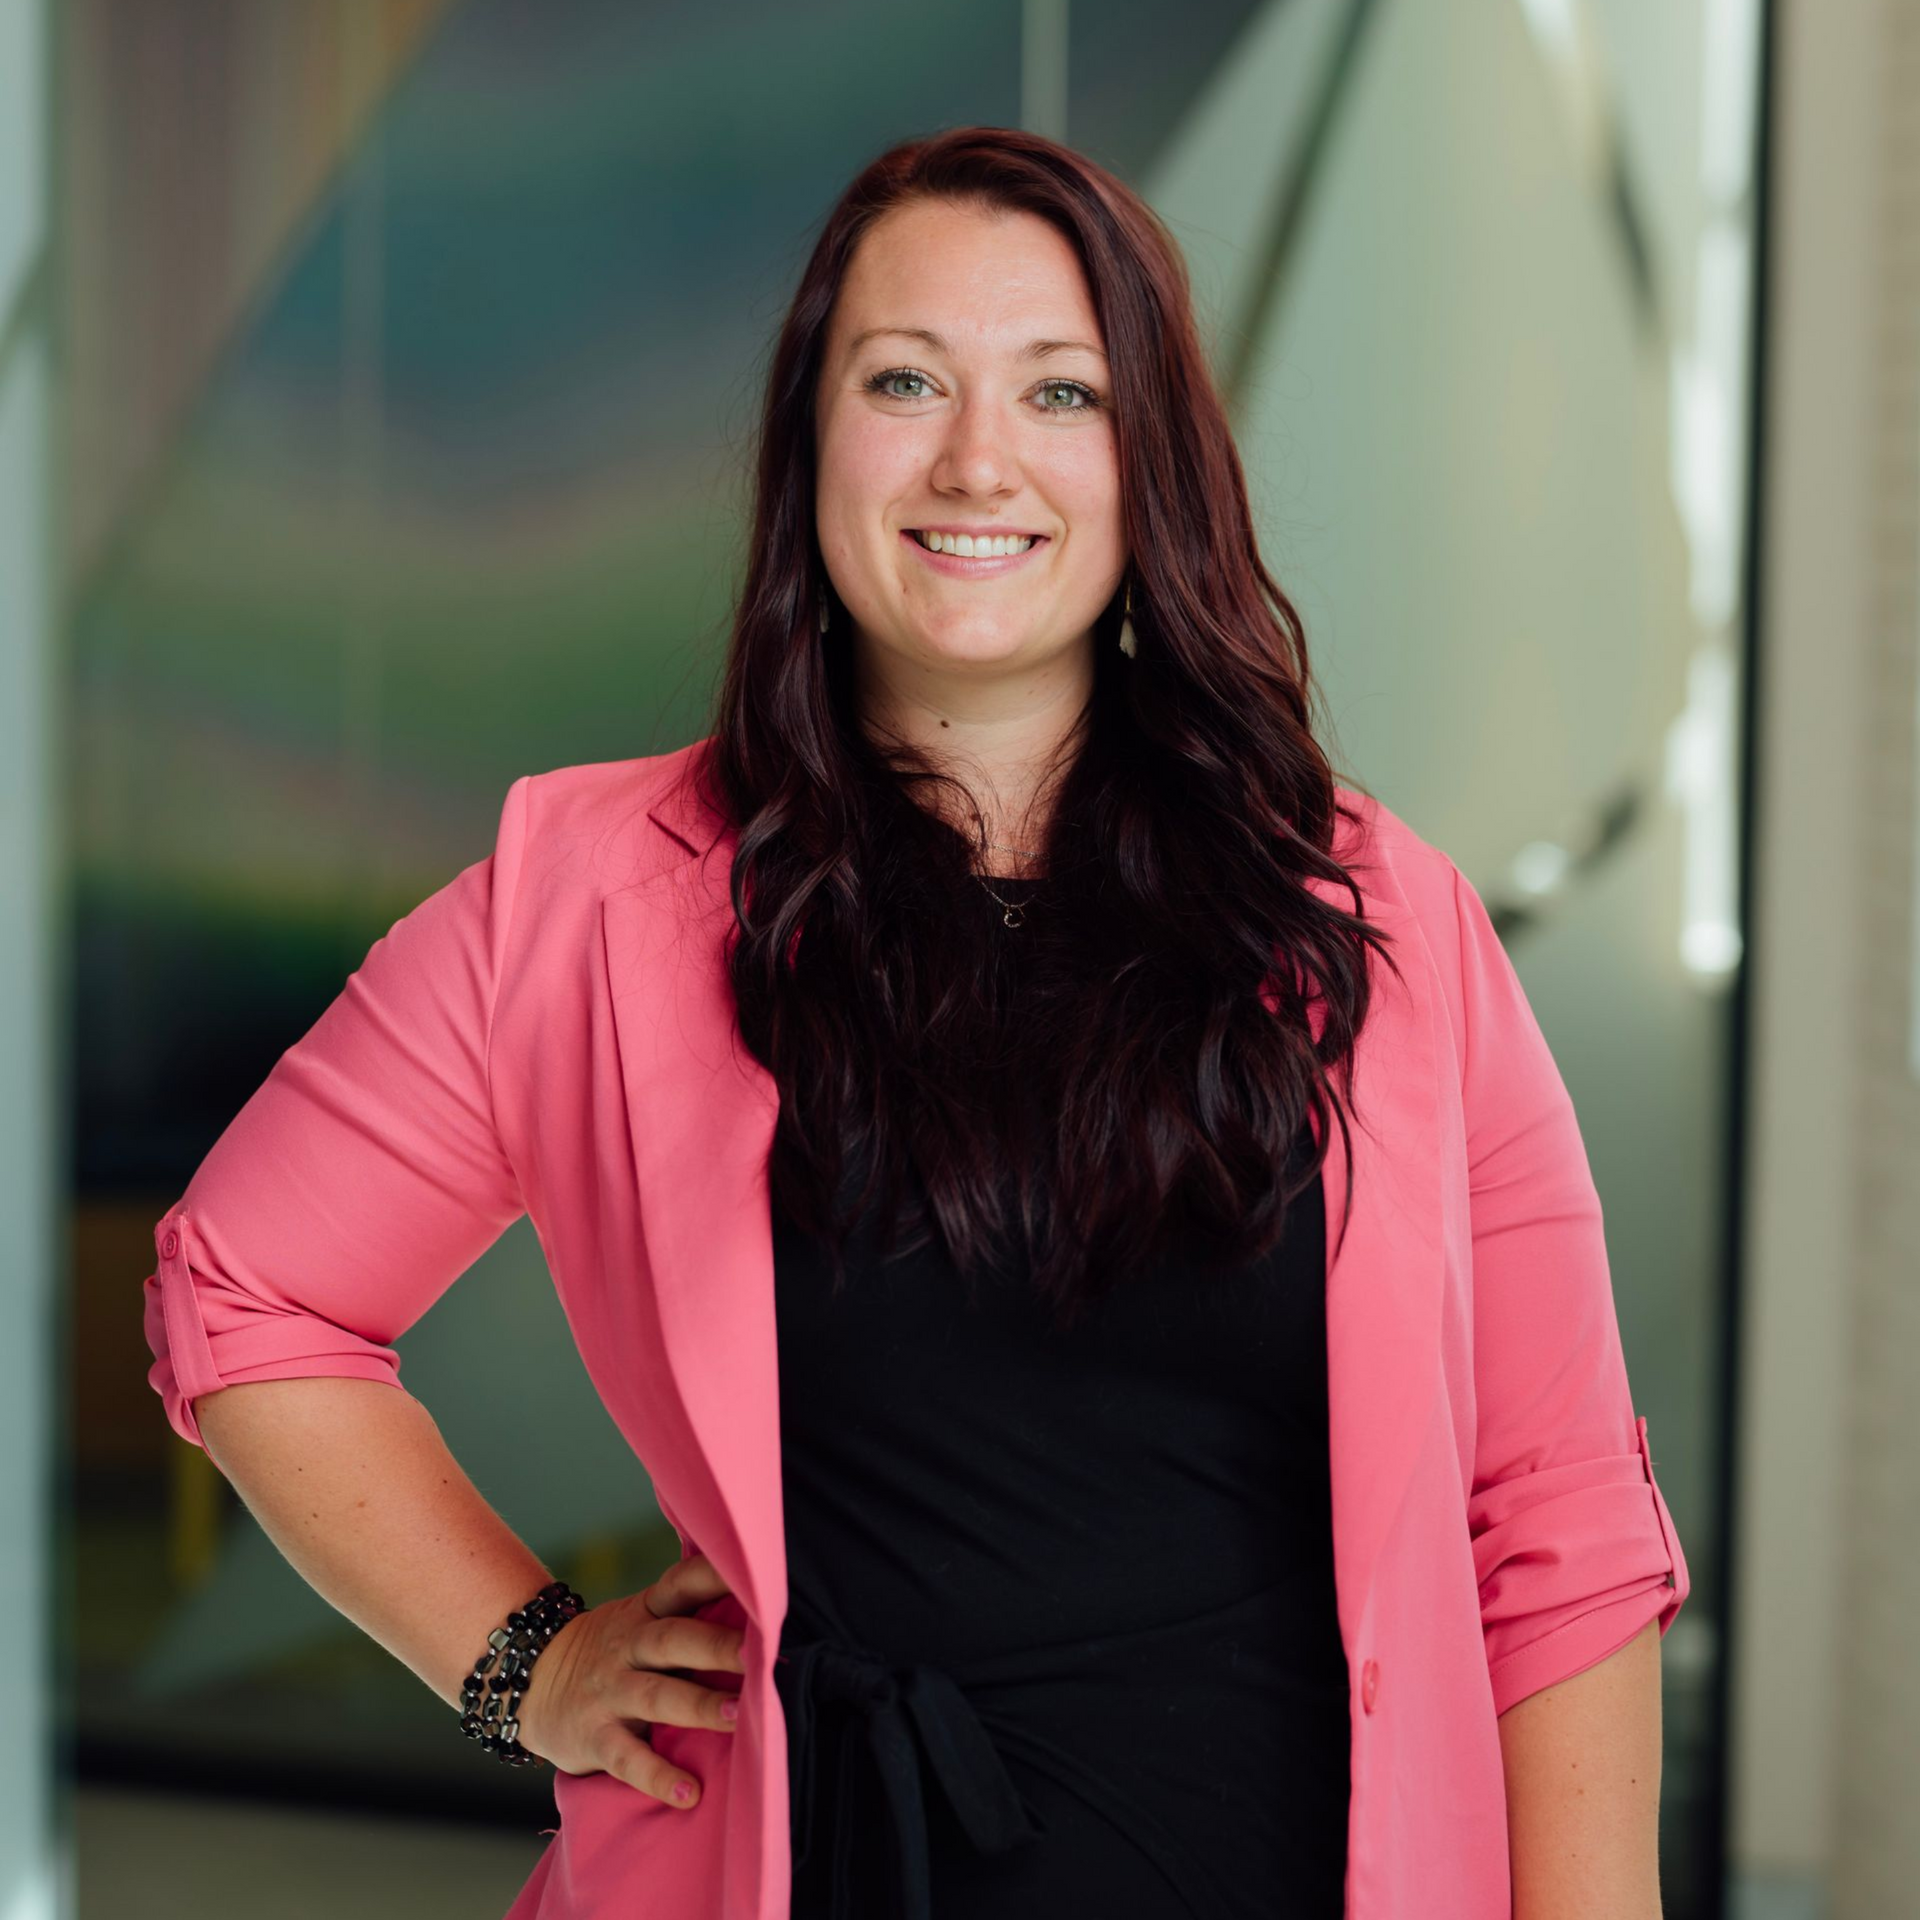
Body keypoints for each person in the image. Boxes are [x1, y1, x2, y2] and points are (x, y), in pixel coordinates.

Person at [141, 126, 1690, 1920]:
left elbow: (1558, 1522)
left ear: (1153, 464)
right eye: (903, 381)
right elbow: (244, 1291)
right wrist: (524, 1663)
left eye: (1060, 390)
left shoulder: (1377, 918)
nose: (978, 460)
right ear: (812, 438)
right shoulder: (586, 897)